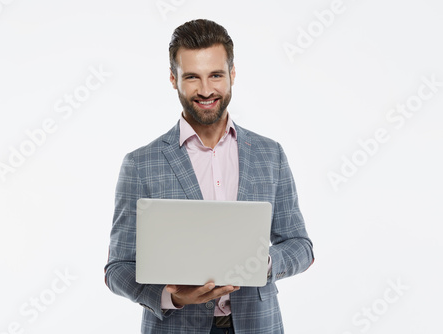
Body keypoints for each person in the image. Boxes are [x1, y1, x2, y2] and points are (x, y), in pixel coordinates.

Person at [104, 19, 314, 334]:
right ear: (174, 79)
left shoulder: (270, 154)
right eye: (192, 77)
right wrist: (171, 297)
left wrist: (262, 263)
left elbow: (300, 246)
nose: (205, 90)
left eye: (215, 75)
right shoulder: (140, 164)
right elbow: (118, 268)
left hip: (257, 325)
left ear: (232, 75)